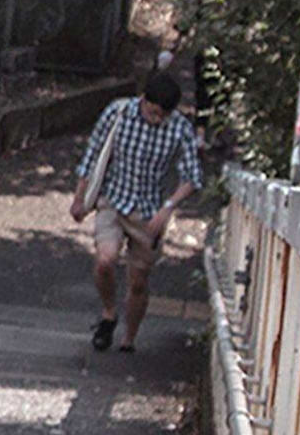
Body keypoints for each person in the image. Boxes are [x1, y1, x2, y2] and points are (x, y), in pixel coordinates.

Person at [71, 60, 203, 353]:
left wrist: (168, 207)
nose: (157, 120)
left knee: (139, 280)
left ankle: (129, 338)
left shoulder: (179, 128)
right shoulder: (118, 113)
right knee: (105, 260)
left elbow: (192, 177)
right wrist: (80, 198)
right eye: (153, 112)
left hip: (148, 211)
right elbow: (93, 155)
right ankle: (109, 314)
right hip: (113, 200)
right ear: (144, 100)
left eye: (163, 115)